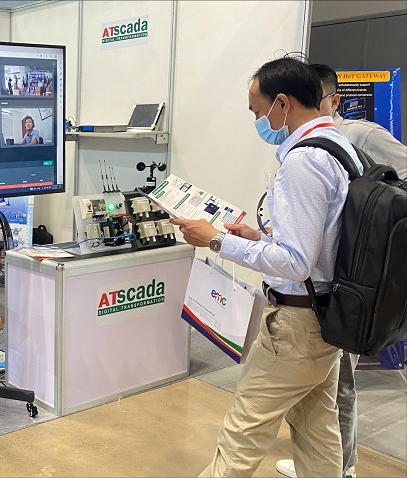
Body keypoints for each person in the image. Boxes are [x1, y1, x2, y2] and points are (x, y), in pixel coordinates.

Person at [171, 57, 362, 477]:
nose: (259, 121)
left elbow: (296, 263)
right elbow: (322, 241)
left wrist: (216, 240)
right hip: (326, 317)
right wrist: (259, 238)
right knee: (317, 429)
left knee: (241, 435)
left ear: (283, 103)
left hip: (296, 325)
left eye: (258, 111)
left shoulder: (303, 161)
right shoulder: (339, 147)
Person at [272, 63, 407, 478]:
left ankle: (343, 466)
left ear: (331, 98)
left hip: (345, 282)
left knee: (338, 382)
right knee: (327, 383)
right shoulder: (304, 142)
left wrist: (374, 235)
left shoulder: (358, 136)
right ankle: (329, 464)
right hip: (322, 285)